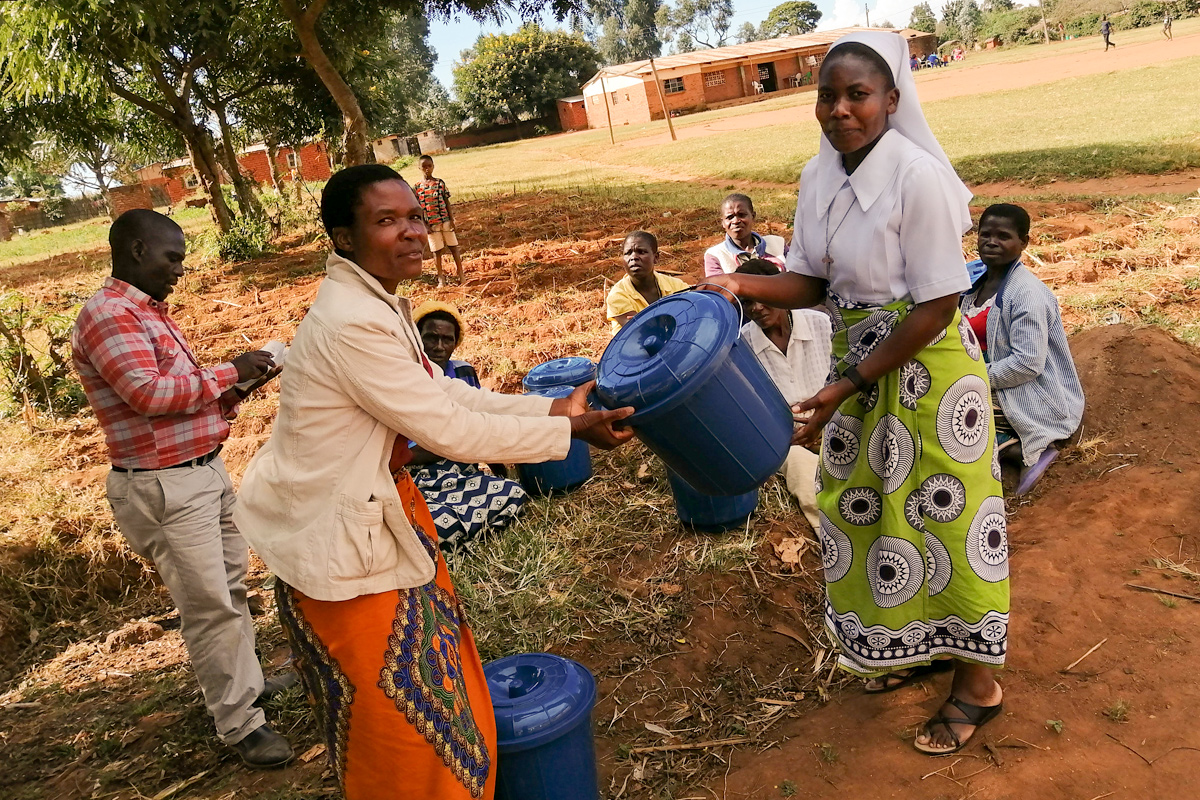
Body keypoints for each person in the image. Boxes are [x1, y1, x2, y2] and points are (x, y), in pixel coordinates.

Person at [233, 164, 634, 800]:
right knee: (397, 729)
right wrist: (570, 434)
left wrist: (555, 410)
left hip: (373, 519)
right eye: (386, 221)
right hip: (337, 543)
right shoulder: (351, 320)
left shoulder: (378, 300)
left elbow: (444, 391)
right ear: (342, 236)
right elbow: (447, 429)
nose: (412, 231)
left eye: (415, 215)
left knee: (425, 701)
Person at [705, 32, 1008, 756]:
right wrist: (738, 282)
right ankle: (913, 646)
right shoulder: (819, 178)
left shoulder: (917, 177)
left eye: (858, 95)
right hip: (858, 369)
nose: (840, 110)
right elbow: (813, 282)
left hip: (928, 372)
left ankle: (979, 685)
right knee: (866, 514)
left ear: (891, 101)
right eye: (827, 96)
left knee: (947, 521)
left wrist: (845, 384)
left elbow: (937, 303)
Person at [71, 209, 292, 768]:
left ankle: (248, 687)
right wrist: (227, 369)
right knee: (209, 606)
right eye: (172, 258)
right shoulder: (109, 314)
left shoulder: (147, 314)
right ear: (138, 249)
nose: (179, 270)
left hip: (201, 471)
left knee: (232, 591)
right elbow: (147, 393)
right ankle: (240, 724)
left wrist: (239, 385)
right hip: (165, 485)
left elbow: (179, 398)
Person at [961, 204, 1084, 496]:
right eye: (985, 234)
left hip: (1027, 389)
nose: (992, 241)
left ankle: (1021, 450)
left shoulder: (1026, 294)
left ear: (1024, 243)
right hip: (985, 374)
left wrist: (971, 376)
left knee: (953, 408)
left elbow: (1027, 364)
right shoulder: (973, 287)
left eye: (1003, 236)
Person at [409, 300, 529, 552]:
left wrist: (499, 469)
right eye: (430, 337)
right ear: (415, 338)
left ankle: (450, 544)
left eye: (447, 339)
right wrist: (449, 443)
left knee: (512, 493)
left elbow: (481, 419)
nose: (439, 347)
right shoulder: (403, 376)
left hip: (462, 469)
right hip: (419, 474)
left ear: (456, 343)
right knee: (429, 519)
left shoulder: (463, 372)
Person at [735, 259, 832, 531]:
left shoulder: (820, 324)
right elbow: (755, 414)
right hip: (789, 436)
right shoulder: (743, 346)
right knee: (806, 477)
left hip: (833, 419)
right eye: (747, 302)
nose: (757, 308)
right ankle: (834, 537)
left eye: (765, 298)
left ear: (782, 294)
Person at [606, 230, 691, 332]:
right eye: (628, 253)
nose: (633, 257)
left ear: (656, 257)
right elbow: (642, 332)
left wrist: (645, 321)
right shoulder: (618, 295)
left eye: (641, 252)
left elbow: (693, 313)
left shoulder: (675, 285)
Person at [703, 193, 788, 276]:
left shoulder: (777, 243)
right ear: (723, 222)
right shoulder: (715, 255)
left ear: (753, 216)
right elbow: (717, 288)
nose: (735, 221)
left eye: (742, 215)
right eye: (729, 217)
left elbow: (796, 276)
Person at [415, 154, 463, 287]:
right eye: (424, 166)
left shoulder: (440, 183)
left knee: (453, 247)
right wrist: (424, 224)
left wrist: (452, 219)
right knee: (436, 252)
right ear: (419, 168)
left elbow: (446, 201)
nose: (427, 169)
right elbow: (418, 208)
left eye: (429, 166)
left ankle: (461, 274)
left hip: (445, 220)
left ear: (433, 167)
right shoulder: (418, 187)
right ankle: (440, 277)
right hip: (431, 223)